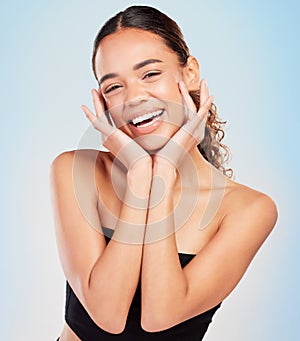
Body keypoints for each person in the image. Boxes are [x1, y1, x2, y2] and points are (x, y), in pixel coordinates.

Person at [50, 5, 278, 341]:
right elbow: (106, 315)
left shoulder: (248, 209)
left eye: (150, 74)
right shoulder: (76, 170)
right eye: (114, 87)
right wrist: (140, 175)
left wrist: (161, 178)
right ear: (102, 100)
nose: (135, 97)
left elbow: (160, 317)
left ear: (189, 73)